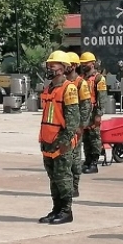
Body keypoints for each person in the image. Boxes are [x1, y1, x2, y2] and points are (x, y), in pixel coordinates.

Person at [38, 51, 81, 224]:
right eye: (49, 65)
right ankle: (56, 209)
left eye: (54, 65)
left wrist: (64, 141)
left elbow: (73, 119)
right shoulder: (49, 87)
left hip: (61, 142)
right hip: (48, 140)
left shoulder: (68, 88)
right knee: (53, 179)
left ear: (63, 68)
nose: (50, 67)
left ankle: (66, 211)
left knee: (63, 178)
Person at [65, 52, 92, 198]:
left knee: (75, 158)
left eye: (67, 65)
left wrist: (81, 126)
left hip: (75, 128)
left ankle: (74, 186)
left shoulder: (81, 83)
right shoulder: (62, 83)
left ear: (74, 66)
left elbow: (86, 106)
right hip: (63, 128)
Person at [79, 51, 109, 174]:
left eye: (85, 63)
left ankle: (94, 162)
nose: (83, 65)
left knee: (94, 138)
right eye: (82, 63)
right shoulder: (82, 78)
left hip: (93, 112)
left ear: (92, 64)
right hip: (84, 113)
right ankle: (87, 160)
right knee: (86, 138)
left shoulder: (99, 79)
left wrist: (98, 114)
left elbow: (102, 98)